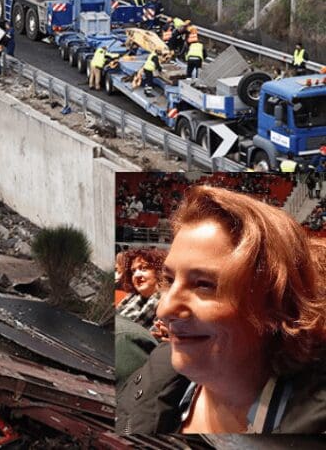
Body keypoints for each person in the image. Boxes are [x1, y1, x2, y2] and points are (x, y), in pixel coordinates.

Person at [117, 185, 326, 434]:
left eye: (204, 285)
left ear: (277, 305)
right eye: (170, 280)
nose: (164, 309)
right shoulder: (152, 375)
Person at [116, 247, 166, 330]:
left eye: (144, 268)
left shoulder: (168, 305)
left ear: (159, 271)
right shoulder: (128, 299)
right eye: (133, 271)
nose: (137, 275)